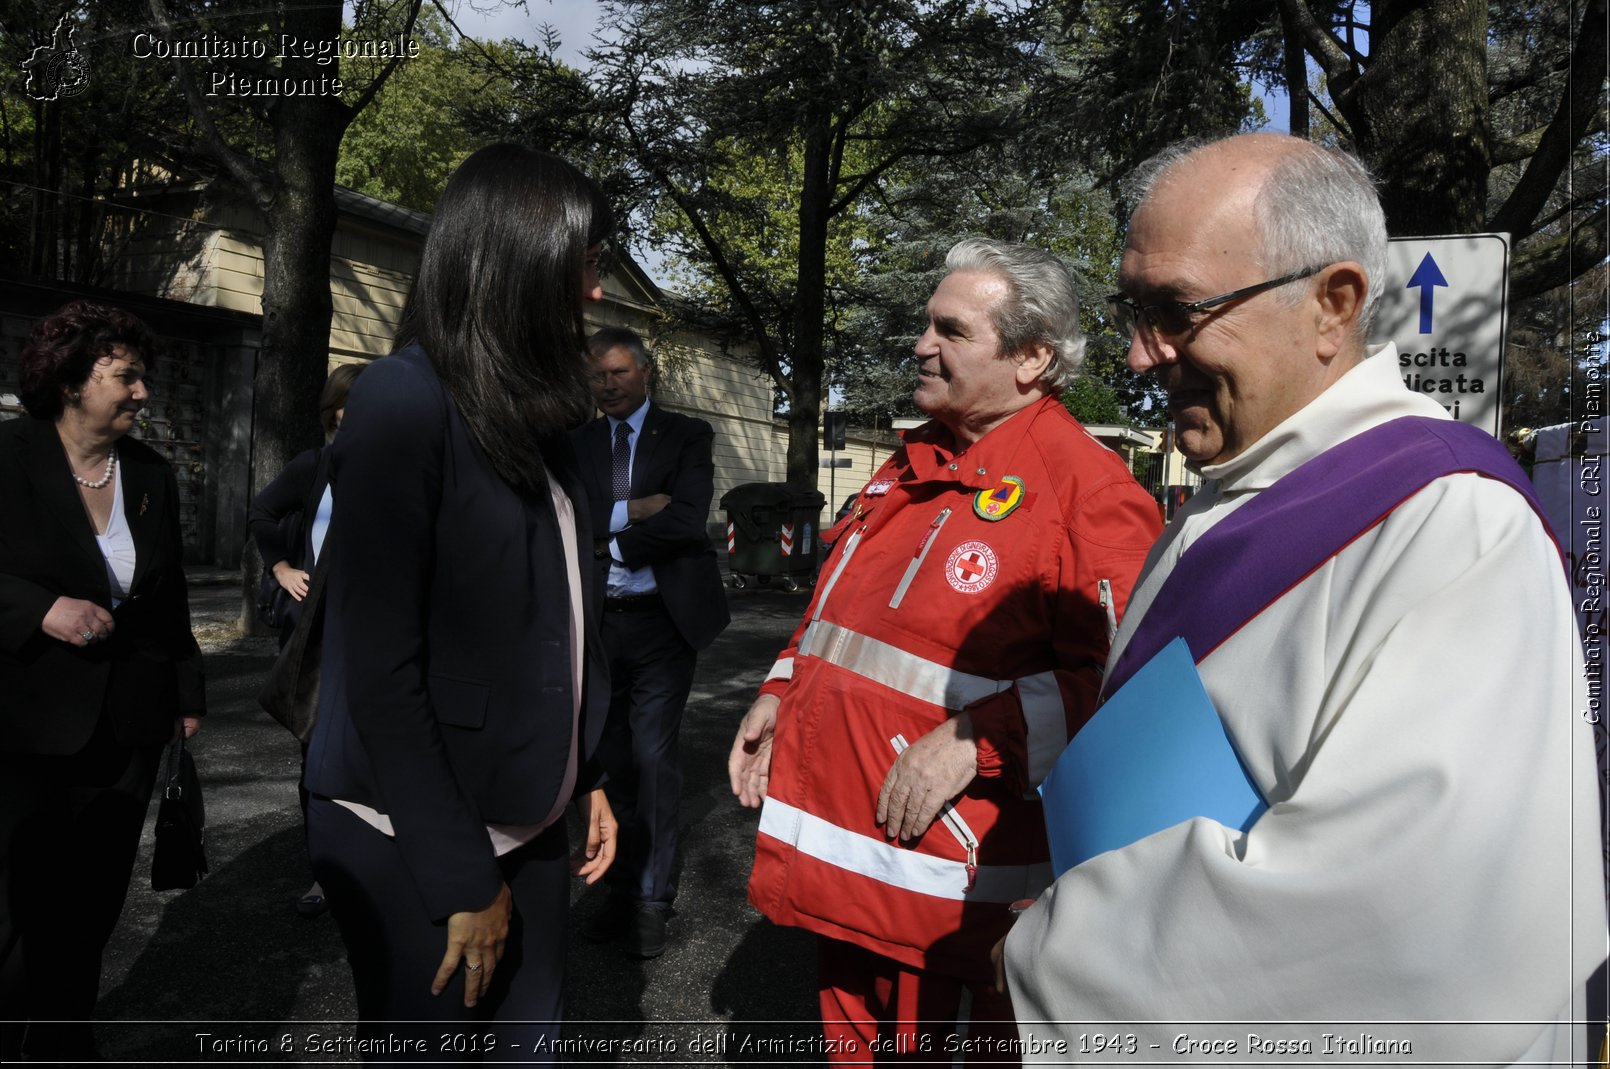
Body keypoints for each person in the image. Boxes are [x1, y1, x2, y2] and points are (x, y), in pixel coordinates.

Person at [999, 133, 1607, 1063]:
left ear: (1333, 304)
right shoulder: (1232, 490)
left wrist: (1060, 953)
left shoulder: (1452, 521)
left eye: (1174, 310)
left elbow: (1419, 924)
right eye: (1133, 308)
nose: (1136, 354)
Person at [728, 238, 1162, 1060]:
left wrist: (977, 740)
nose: (921, 344)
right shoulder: (909, 464)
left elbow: (1125, 693)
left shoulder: (1091, 493)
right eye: (926, 324)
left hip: (954, 898)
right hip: (849, 867)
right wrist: (779, 691)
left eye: (951, 329)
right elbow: (835, 617)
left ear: (1033, 358)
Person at [302, 143, 618, 1059]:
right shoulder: (404, 402)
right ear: (520, 261)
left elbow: (567, 615)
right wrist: (458, 877)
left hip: (535, 809)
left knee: (531, 1044)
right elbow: (381, 670)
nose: (596, 292)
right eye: (586, 265)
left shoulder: (547, 413)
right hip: (419, 828)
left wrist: (587, 770)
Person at [0, 299, 205, 1062]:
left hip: (128, 725)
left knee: (89, 907)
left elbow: (170, 590)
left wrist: (187, 692)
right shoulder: (8, 455)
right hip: (21, 723)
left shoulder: (150, 473)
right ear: (71, 378)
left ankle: (62, 1042)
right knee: (17, 906)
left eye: (142, 378)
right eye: (127, 377)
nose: (142, 393)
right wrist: (39, 606)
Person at [572, 326, 729, 958]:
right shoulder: (575, 443)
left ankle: (651, 901)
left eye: (616, 373)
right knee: (609, 765)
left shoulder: (686, 435)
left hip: (663, 622)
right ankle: (617, 889)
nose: (605, 385)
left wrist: (603, 536)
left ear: (644, 374)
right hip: (599, 622)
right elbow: (565, 512)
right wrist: (629, 515)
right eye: (596, 376)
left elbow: (689, 519)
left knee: (652, 758)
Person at [247, 361, 364, 919]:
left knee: (371, 751)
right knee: (315, 751)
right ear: (332, 412)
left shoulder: (394, 468)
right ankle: (325, 872)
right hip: (313, 632)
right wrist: (282, 568)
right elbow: (263, 512)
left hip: (371, 634)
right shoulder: (311, 467)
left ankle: (372, 863)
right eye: (352, 405)